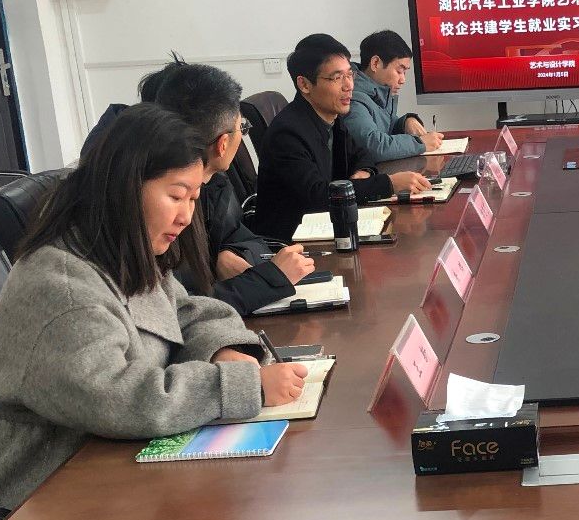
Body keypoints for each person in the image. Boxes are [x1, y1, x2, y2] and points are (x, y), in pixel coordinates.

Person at [0, 104, 307, 511]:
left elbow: (187, 311)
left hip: (113, 472)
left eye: (194, 198)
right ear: (125, 187)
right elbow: (118, 399)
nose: (186, 216)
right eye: (176, 196)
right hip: (39, 497)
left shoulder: (119, 250)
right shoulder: (61, 287)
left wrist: (224, 350)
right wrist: (245, 386)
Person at [147, 60, 317, 313]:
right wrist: (268, 280)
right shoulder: (148, 207)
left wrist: (227, 253)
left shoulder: (213, 181)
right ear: (223, 143)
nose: (185, 217)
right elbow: (177, 310)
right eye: (242, 128)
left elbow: (243, 236)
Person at [251, 33, 431, 241]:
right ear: (305, 85)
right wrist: (389, 184)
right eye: (337, 78)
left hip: (330, 226)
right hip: (293, 242)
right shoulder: (288, 133)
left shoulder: (331, 117)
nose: (349, 86)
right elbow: (317, 196)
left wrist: (363, 172)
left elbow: (362, 154)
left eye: (350, 75)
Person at [341, 29, 443, 164]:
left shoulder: (380, 91)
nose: (403, 80)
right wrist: (420, 143)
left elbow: (386, 127)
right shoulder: (353, 99)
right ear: (375, 63)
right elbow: (373, 147)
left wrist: (405, 122)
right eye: (399, 71)